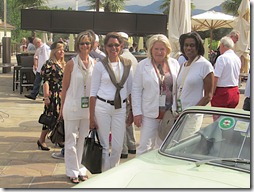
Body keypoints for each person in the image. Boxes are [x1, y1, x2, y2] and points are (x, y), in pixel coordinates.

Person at [89, 32, 133, 172]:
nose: (113, 48)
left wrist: (132, 111)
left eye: (116, 45)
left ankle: (112, 171)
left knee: (118, 145)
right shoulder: (100, 66)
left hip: (120, 108)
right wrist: (91, 117)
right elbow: (93, 92)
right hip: (102, 106)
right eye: (110, 45)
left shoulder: (127, 65)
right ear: (105, 47)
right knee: (103, 145)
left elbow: (131, 89)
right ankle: (104, 175)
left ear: (121, 46)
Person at [132, 34, 180, 155]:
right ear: (151, 50)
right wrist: (137, 112)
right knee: (145, 146)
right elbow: (136, 90)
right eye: (156, 49)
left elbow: (179, 88)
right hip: (150, 112)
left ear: (167, 50)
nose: (159, 52)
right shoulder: (143, 65)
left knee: (163, 147)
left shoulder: (174, 64)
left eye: (162, 49)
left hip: (169, 113)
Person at [60, 30, 96, 184]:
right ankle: (72, 171)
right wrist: (61, 108)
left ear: (92, 45)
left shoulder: (95, 63)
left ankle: (81, 169)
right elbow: (64, 87)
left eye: (87, 43)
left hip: (87, 108)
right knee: (70, 140)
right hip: (72, 106)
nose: (85, 46)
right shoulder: (71, 64)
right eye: (82, 43)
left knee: (83, 140)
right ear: (77, 45)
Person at [172, 32, 214, 138]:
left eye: (192, 45)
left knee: (185, 145)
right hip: (178, 115)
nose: (188, 48)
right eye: (186, 45)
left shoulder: (205, 65)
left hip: (192, 116)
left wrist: (191, 112)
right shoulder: (183, 65)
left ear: (198, 46)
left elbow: (208, 96)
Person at [36, 41, 65, 151]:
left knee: (60, 117)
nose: (62, 51)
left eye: (63, 49)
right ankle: (41, 140)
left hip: (62, 94)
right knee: (50, 118)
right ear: (54, 51)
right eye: (59, 49)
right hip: (53, 94)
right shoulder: (49, 64)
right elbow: (46, 81)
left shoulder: (62, 63)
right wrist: (46, 97)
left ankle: (58, 138)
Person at [117, 32, 138, 159]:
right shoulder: (132, 57)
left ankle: (123, 149)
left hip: (123, 95)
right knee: (128, 123)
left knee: (121, 123)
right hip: (131, 94)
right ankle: (131, 145)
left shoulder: (123, 59)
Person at [211, 36, 241, 109]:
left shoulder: (222, 58)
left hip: (223, 91)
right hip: (235, 90)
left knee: (219, 118)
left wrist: (212, 93)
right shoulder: (237, 58)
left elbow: (216, 77)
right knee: (230, 118)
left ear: (222, 45)